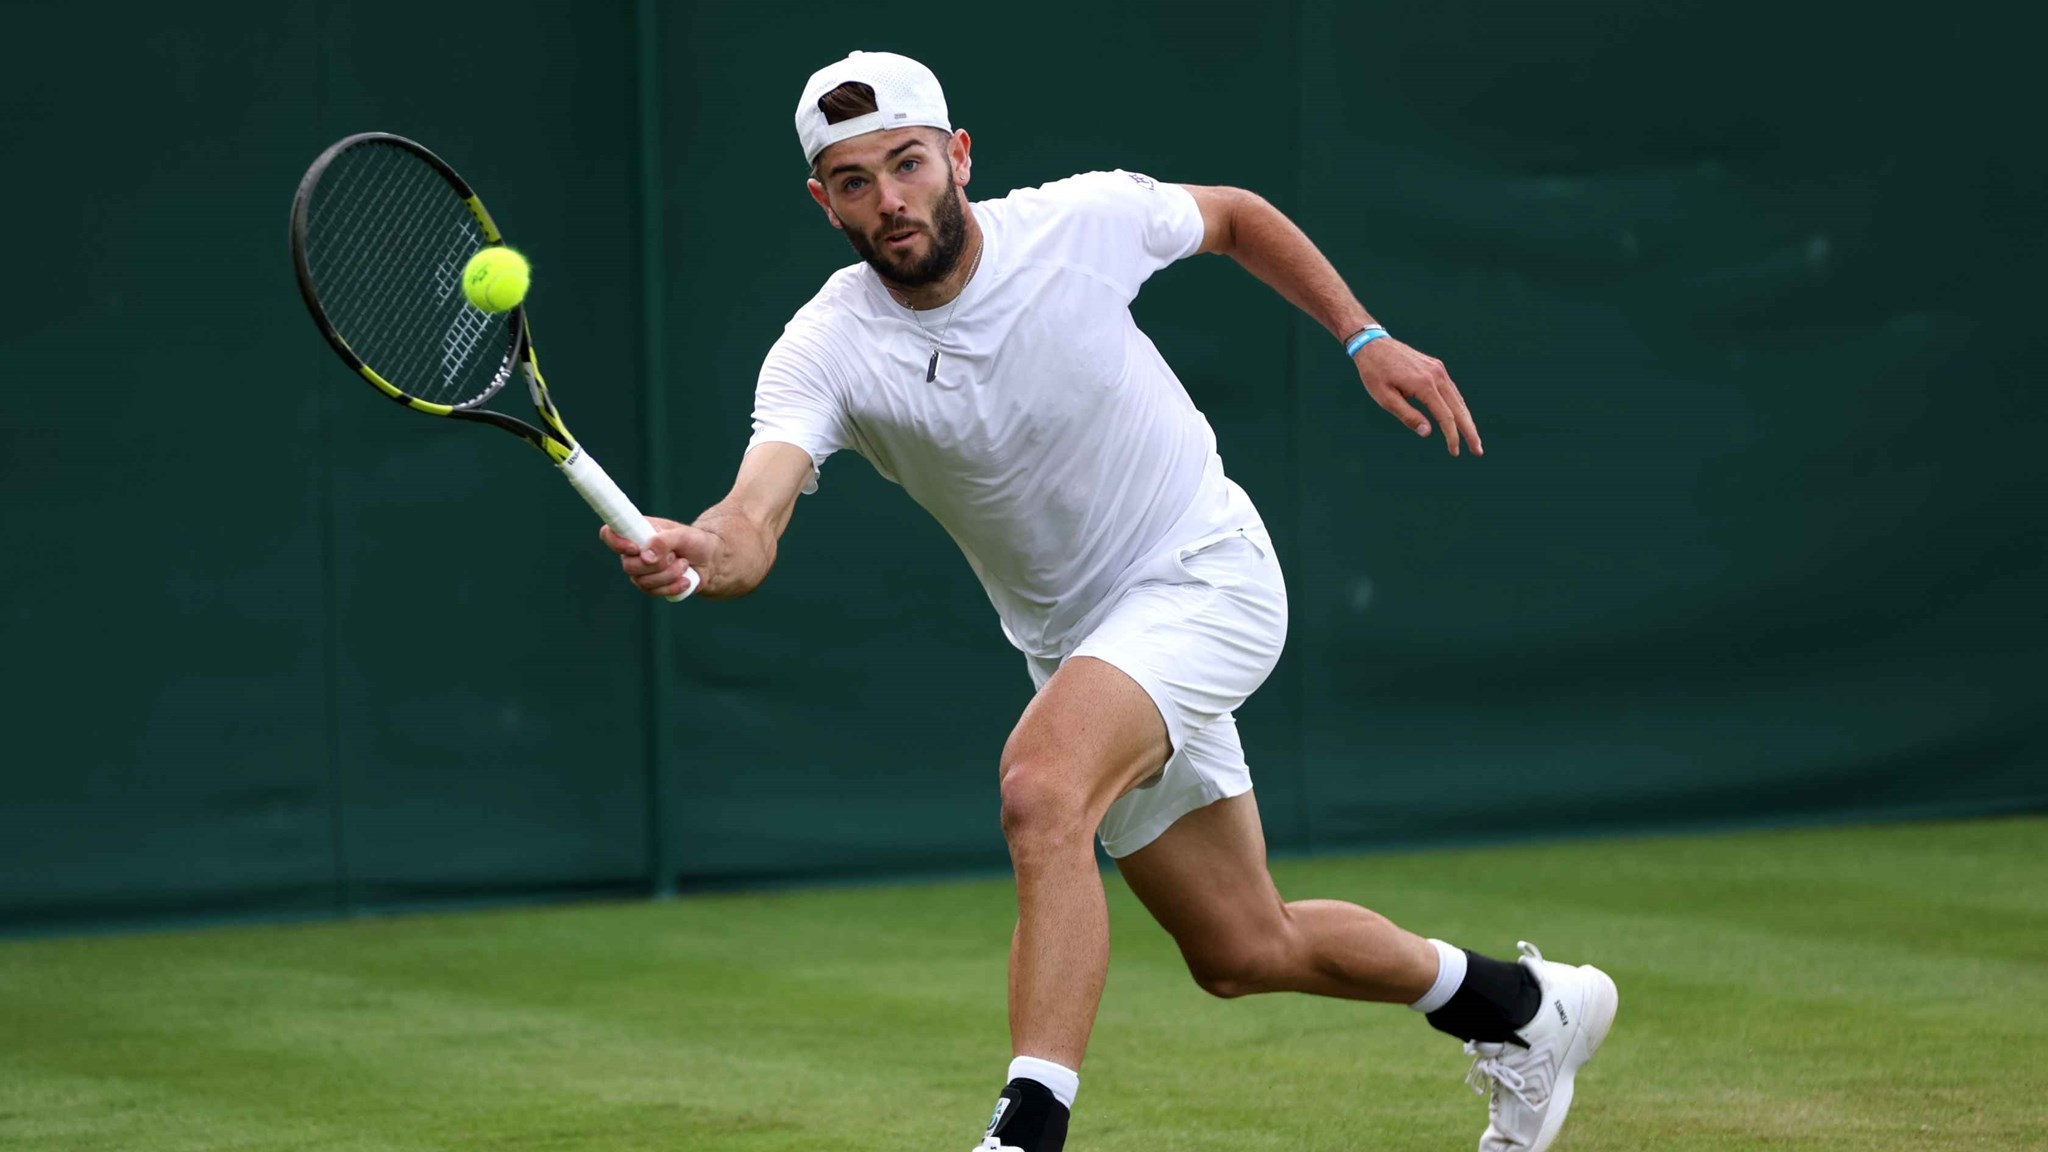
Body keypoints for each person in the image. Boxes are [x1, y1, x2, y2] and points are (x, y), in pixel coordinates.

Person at [600, 49, 1617, 1152]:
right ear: (823, 201)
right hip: (1081, 647)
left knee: (1041, 790)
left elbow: (1232, 216)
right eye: (854, 181)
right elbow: (753, 521)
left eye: (906, 164)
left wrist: (1362, 337)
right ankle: (1525, 1012)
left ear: (957, 156)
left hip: (1205, 573)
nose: (889, 199)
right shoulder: (824, 348)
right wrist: (697, 548)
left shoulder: (1076, 223)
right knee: (1241, 948)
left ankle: (1025, 1130)